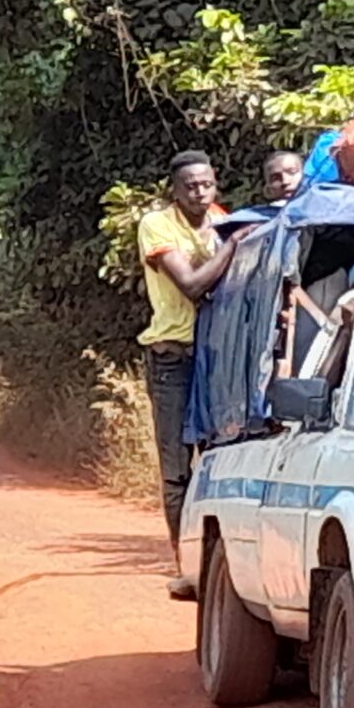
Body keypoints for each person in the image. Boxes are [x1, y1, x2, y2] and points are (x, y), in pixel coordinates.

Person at [137, 150, 233, 599]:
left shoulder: (221, 220)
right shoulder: (157, 226)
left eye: (206, 184)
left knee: (216, 463)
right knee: (178, 471)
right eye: (190, 186)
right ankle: (186, 568)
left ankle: (211, 566)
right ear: (174, 190)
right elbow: (193, 285)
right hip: (173, 356)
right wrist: (234, 245)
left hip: (216, 359)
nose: (199, 192)